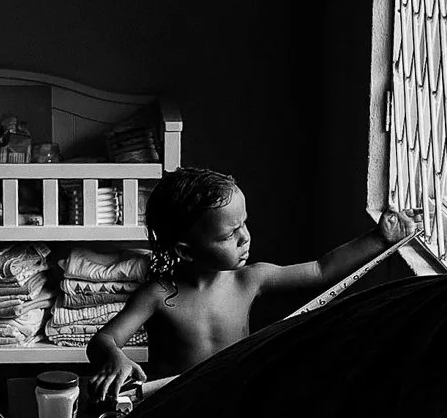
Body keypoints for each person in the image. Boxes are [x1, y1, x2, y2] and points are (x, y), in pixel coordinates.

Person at [87, 165, 419, 404]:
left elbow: (322, 270)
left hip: (234, 397)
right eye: (229, 234)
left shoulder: (249, 279)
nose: (245, 237)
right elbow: (103, 340)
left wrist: (379, 238)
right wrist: (115, 357)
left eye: (244, 225)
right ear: (185, 251)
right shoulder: (158, 295)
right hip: (174, 404)